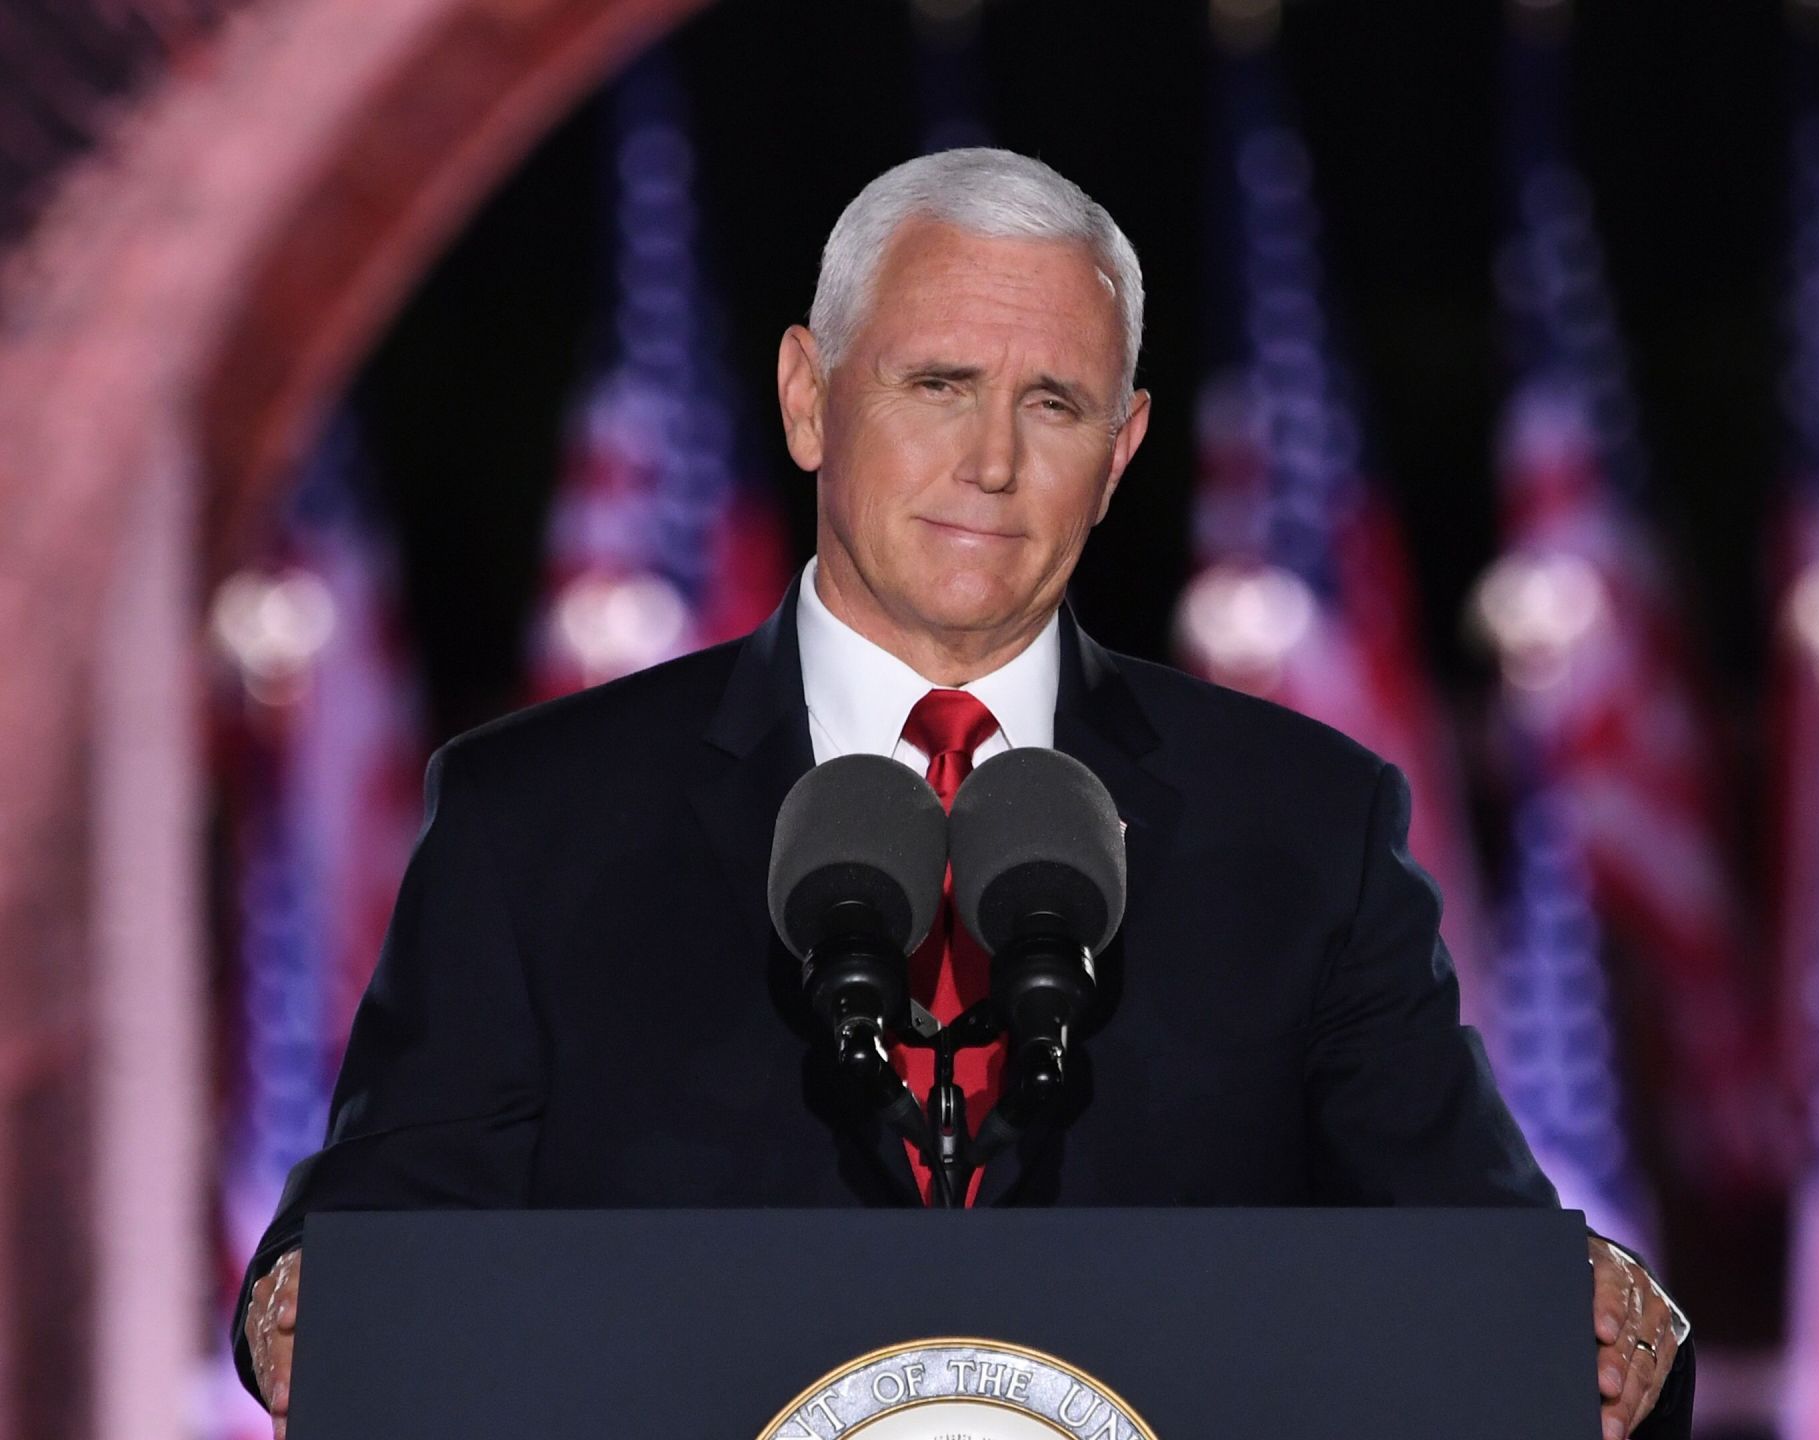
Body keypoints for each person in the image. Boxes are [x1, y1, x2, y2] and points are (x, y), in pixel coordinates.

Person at [237, 147, 1693, 1439]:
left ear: (1119, 455)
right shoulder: (537, 820)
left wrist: (1604, 1330)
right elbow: (392, 1236)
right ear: (810, 399)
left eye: (1053, 404)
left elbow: (1479, 1271)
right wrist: (302, 1303)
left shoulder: (1304, 827)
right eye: (937, 385)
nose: (991, 462)